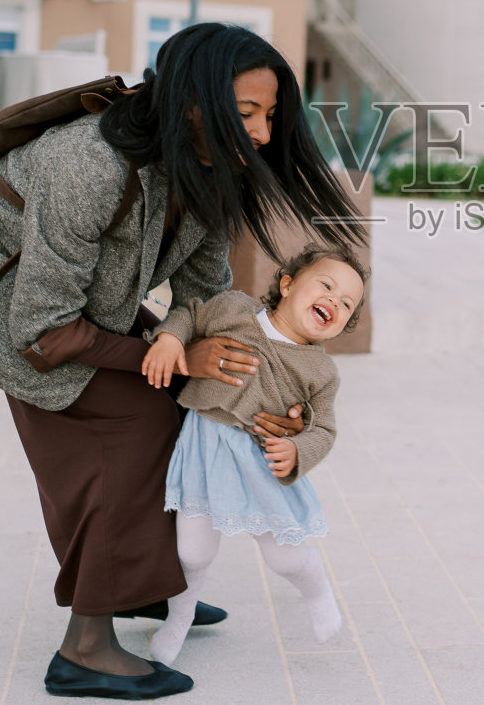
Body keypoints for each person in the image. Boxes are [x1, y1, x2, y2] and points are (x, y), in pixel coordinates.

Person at [0, 23, 365, 700]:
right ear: (191, 103)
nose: (264, 134)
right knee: (124, 432)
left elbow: (207, 295)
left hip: (75, 304)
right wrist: (172, 356)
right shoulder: (89, 163)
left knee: (180, 409)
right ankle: (86, 646)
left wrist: (258, 385)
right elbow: (44, 332)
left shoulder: (213, 169)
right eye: (246, 115)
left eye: (270, 116)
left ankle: (144, 587)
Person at [139, 244, 367, 666]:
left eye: (346, 304)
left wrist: (296, 449)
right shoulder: (234, 310)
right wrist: (171, 337)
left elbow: (325, 429)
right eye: (327, 286)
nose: (335, 301)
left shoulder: (320, 372)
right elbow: (189, 312)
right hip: (204, 450)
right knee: (192, 552)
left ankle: (317, 591)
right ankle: (179, 618)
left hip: (258, 463)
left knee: (284, 555)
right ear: (287, 284)